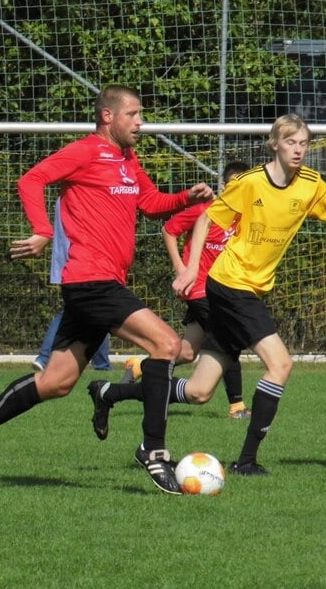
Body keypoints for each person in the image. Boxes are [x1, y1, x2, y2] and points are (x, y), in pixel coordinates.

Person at [0, 85, 214, 494]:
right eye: (134, 114)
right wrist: (41, 230)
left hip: (100, 284)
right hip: (91, 281)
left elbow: (150, 202)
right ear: (108, 116)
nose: (140, 122)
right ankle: (154, 452)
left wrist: (185, 198)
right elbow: (31, 180)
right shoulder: (86, 151)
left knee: (56, 382)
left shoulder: (128, 159)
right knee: (166, 345)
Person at [167, 114, 326, 476]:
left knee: (199, 391)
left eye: (304, 143)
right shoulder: (249, 182)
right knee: (281, 364)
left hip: (251, 289)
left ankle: (113, 393)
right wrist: (192, 269)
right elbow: (205, 220)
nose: (299, 150)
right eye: (291, 142)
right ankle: (246, 461)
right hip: (230, 283)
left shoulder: (311, 183)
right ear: (275, 143)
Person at [87, 161, 252, 438]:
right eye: (233, 183)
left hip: (223, 290)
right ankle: (237, 405)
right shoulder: (206, 210)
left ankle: (129, 375)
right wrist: (182, 268)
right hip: (201, 290)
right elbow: (169, 229)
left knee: (187, 352)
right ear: (224, 186)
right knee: (229, 338)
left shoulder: (245, 218)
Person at [33, 200, 111, 372]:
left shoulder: (66, 198)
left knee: (94, 311)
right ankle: (46, 357)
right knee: (94, 309)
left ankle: (101, 364)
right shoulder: (81, 198)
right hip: (82, 265)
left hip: (74, 262)